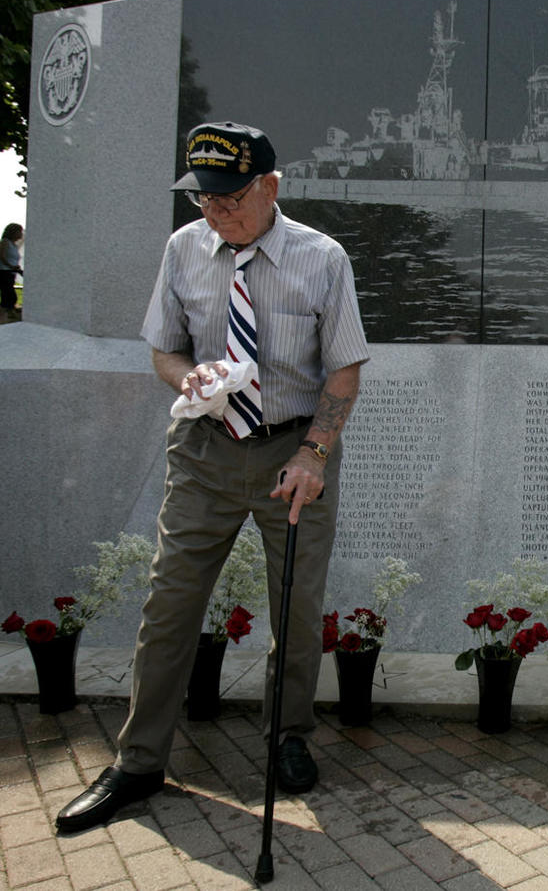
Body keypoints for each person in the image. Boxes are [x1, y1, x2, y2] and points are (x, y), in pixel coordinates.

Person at [56, 122, 369, 833]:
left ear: (271, 188)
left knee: (295, 605)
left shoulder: (322, 258)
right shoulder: (183, 250)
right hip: (204, 450)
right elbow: (163, 352)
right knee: (170, 602)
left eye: (230, 199)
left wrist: (314, 454)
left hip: (294, 453)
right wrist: (188, 374)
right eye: (204, 200)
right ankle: (138, 761)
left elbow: (344, 367)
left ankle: (288, 736)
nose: (216, 213)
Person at [1, 223, 22, 319]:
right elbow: (1, 256)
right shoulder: (5, 242)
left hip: (11, 272)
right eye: (19, 231)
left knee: (9, 293)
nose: (21, 234)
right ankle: (7, 312)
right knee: (9, 294)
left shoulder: (13, 244)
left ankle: (9, 310)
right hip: (5, 272)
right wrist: (11, 266)